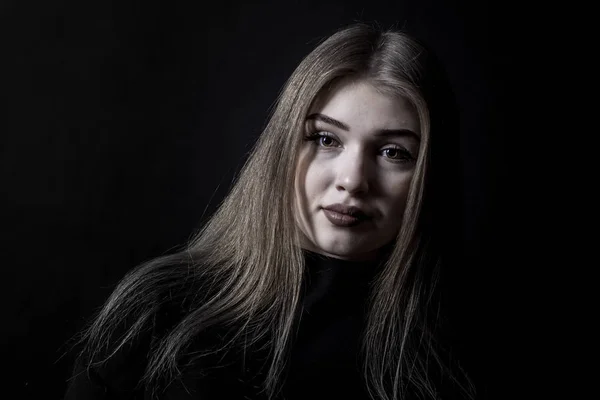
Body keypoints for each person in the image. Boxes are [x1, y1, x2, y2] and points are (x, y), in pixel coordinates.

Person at [64, 22, 475, 400]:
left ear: (429, 174)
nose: (353, 180)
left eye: (393, 152)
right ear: (282, 147)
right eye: (326, 139)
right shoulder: (160, 308)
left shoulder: (459, 350)